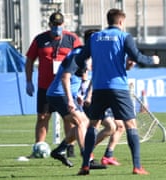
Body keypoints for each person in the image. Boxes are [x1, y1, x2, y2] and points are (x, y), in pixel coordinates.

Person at [75, 8, 160, 175]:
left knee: (93, 124)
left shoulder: (95, 37)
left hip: (99, 88)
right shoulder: (123, 36)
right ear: (121, 22)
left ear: (108, 21)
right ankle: (137, 166)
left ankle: (85, 165)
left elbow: (79, 58)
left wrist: (98, 63)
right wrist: (153, 60)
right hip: (118, 88)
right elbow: (137, 57)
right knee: (130, 124)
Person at [46, 29, 106, 169]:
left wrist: (77, 94)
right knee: (82, 122)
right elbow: (65, 77)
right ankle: (88, 159)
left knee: (83, 122)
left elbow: (76, 78)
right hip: (58, 94)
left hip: (66, 94)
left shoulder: (85, 54)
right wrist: (70, 100)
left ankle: (60, 150)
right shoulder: (78, 55)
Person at [25, 11, 81, 158]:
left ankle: (69, 148)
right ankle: (38, 148)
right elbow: (30, 60)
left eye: (59, 25)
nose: (57, 27)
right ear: (49, 25)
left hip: (64, 87)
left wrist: (81, 84)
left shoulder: (72, 39)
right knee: (42, 117)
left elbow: (81, 59)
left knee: (68, 118)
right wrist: (28, 81)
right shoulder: (40, 39)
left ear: (63, 24)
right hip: (45, 86)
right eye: (54, 25)